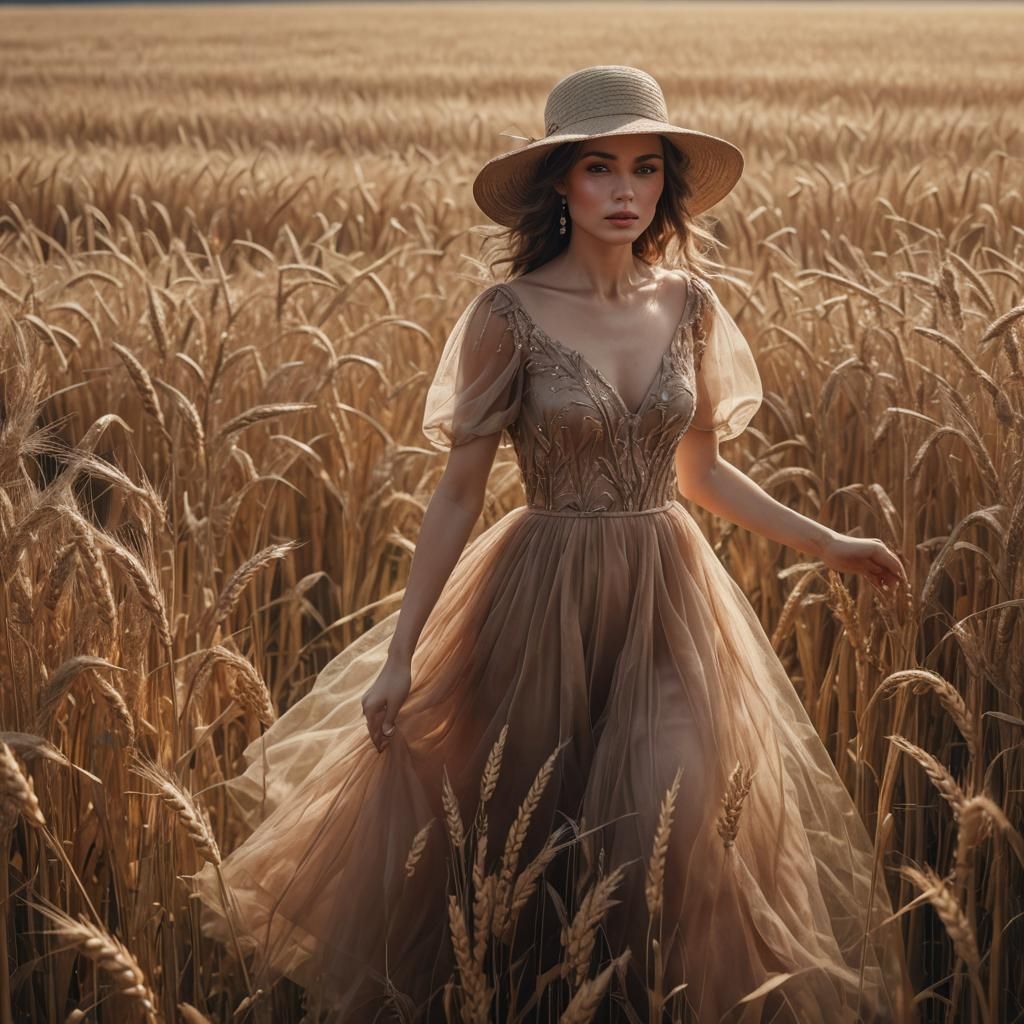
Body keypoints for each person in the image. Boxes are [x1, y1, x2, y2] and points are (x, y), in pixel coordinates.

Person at [193, 66, 916, 1023]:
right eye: (600, 168)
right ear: (560, 187)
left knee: (680, 821)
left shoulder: (690, 306)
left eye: (646, 169)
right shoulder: (509, 316)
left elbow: (696, 473)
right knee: (517, 851)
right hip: (536, 602)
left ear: (667, 184)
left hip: (667, 596)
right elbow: (458, 493)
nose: (626, 191)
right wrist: (401, 656)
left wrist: (826, 541)